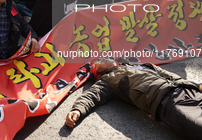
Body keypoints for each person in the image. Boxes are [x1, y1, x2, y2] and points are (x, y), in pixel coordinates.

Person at [66, 58, 202, 140]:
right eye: (98, 62)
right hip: (168, 102)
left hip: (187, 90)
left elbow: (168, 74)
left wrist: (196, 85)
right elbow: (92, 95)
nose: (101, 59)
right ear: (97, 72)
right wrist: (78, 109)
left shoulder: (138, 65)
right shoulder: (107, 80)